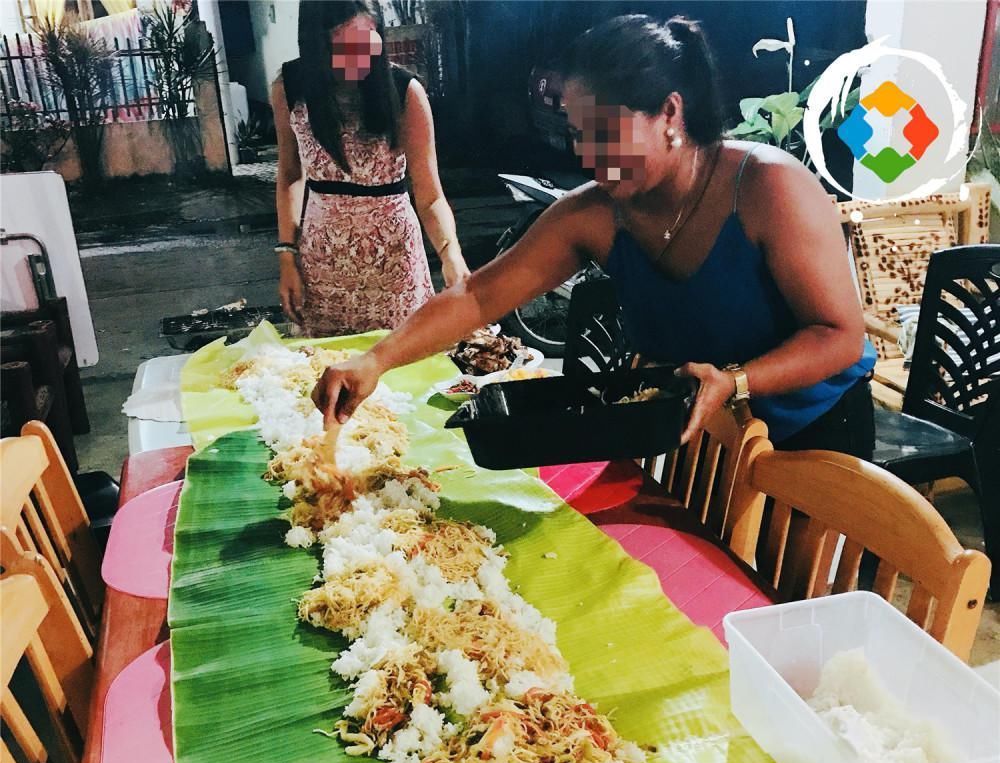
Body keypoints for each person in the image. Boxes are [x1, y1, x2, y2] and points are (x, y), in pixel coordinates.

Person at [312, 14, 877, 458]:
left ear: (669, 113)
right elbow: (479, 296)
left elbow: (839, 335)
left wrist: (735, 381)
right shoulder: (596, 214)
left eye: (607, 133)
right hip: (695, 433)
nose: (589, 157)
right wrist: (375, 362)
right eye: (580, 135)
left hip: (813, 431)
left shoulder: (769, 188)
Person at [273, 0, 470, 336]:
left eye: (368, 45)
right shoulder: (290, 87)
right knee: (324, 369)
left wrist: (451, 254)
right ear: (316, 44)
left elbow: (429, 193)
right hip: (323, 264)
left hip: (394, 262)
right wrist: (287, 256)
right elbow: (290, 175)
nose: (360, 60)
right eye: (345, 49)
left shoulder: (405, 91)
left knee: (404, 369)